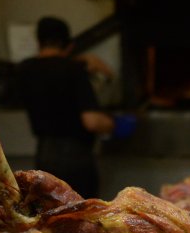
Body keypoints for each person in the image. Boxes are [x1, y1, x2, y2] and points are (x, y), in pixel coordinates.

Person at [16, 16, 115, 199]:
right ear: (68, 45)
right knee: (81, 218)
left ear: (38, 42)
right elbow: (92, 121)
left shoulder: (25, 70)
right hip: (76, 159)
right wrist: (112, 124)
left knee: (47, 217)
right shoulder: (74, 69)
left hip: (43, 156)